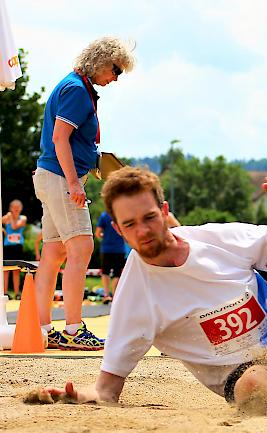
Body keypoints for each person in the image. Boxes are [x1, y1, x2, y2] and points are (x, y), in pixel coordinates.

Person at [33, 167, 267, 406]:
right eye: (130, 224)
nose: (143, 231)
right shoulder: (135, 296)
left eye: (149, 217)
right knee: (259, 390)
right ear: (117, 229)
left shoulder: (221, 238)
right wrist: (79, 395)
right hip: (241, 370)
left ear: (164, 210)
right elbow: (107, 388)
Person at [32, 37, 135, 350]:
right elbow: (60, 138)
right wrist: (74, 183)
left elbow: (61, 140)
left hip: (50, 175)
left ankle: (42, 329)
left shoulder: (74, 85)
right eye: (115, 69)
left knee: (53, 254)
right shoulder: (77, 89)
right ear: (100, 61)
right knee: (81, 249)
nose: (115, 77)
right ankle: (74, 330)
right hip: (63, 178)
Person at [95, 211, 126, 302]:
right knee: (117, 273)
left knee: (105, 272)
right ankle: (115, 294)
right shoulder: (121, 214)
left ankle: (106, 294)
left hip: (106, 248)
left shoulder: (104, 215)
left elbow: (98, 233)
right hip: (120, 248)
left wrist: (104, 237)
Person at [2, 199, 27, 297]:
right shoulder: (7, 217)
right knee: (6, 270)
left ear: (21, 208)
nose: (16, 209)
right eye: (14, 207)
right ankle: (5, 292)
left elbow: (14, 226)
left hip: (18, 246)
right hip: (8, 246)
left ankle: (17, 293)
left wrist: (10, 217)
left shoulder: (23, 218)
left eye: (18, 207)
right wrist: (3, 231)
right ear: (10, 208)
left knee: (16, 270)